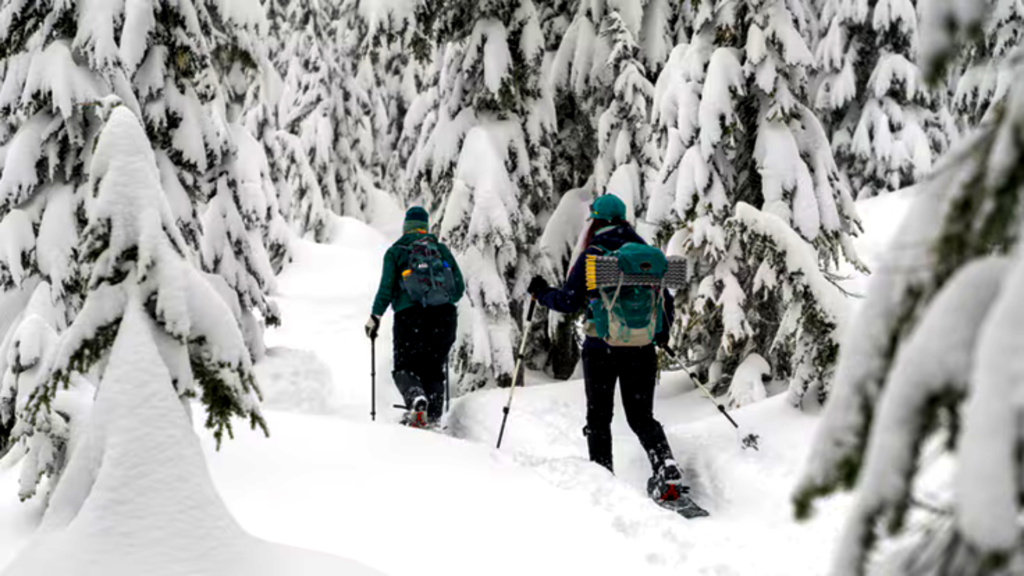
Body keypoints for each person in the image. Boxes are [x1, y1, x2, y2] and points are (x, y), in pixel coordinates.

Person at [527, 194, 685, 492]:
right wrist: (660, 334)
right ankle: (665, 464)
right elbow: (665, 301)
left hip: (601, 349)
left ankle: (604, 483)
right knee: (642, 418)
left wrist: (541, 293)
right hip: (641, 349)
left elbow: (568, 301)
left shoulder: (593, 255)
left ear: (596, 221)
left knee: (599, 420)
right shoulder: (648, 255)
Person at [366, 207, 464, 426]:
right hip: (444, 317)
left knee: (405, 368)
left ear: (406, 227)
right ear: (426, 227)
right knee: (433, 370)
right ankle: (433, 417)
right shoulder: (440, 250)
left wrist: (375, 317)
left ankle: (417, 400)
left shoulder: (396, 251)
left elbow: (386, 289)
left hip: (410, 318)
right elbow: (458, 289)